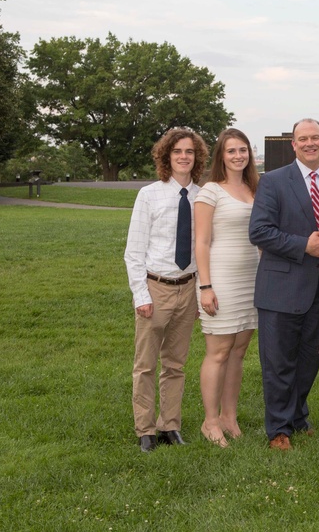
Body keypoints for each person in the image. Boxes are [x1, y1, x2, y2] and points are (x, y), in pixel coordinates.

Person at [248, 118, 319, 451]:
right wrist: (304, 245)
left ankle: (298, 416)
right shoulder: (272, 181)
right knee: (279, 361)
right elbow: (259, 231)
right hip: (281, 288)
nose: (310, 143)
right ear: (294, 145)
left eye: (316, 138)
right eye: (304, 139)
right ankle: (279, 429)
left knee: (308, 360)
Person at [124, 127, 209, 453]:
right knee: (145, 365)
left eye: (189, 152)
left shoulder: (203, 196)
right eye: (178, 152)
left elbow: (203, 248)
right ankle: (145, 429)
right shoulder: (149, 194)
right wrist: (141, 295)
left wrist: (202, 292)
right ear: (167, 157)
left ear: (197, 157)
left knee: (175, 364)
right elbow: (134, 251)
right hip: (156, 287)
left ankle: (169, 425)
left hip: (187, 290)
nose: (184, 157)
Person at [194, 128, 260, 447]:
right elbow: (202, 241)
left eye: (243, 150)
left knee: (239, 352)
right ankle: (209, 421)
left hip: (252, 279)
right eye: (231, 151)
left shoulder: (254, 188)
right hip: (220, 278)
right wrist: (205, 286)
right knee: (218, 352)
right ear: (221, 155)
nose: (238, 156)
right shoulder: (210, 191)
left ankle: (228, 416)